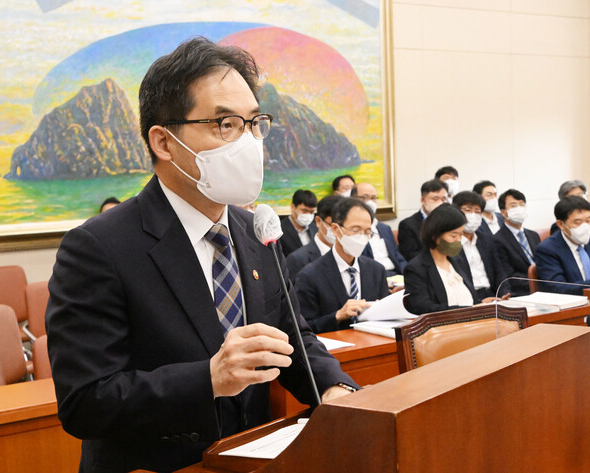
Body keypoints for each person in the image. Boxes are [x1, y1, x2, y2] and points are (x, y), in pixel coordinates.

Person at [45, 38, 358, 473]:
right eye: (224, 124)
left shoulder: (256, 232)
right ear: (164, 142)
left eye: (254, 124)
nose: (247, 142)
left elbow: (292, 338)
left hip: (254, 459)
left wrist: (335, 389)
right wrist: (208, 379)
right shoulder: (98, 247)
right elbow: (85, 402)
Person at [296, 198, 389, 333]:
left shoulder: (376, 270)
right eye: (355, 230)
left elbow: (386, 315)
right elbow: (303, 329)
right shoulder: (310, 275)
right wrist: (337, 316)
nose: (362, 237)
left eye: (367, 232)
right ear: (336, 229)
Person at [403, 204, 498, 315]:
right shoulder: (416, 268)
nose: (458, 240)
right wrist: (469, 310)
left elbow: (467, 298)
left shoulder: (458, 260)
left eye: (461, 234)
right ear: (435, 235)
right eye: (453, 236)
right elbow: (423, 307)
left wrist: (481, 303)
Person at [451, 191, 509, 300]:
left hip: (492, 295)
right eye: (468, 210)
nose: (473, 215)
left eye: (477, 211)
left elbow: (499, 271)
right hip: (469, 299)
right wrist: (478, 302)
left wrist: (504, 294)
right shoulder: (451, 243)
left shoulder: (486, 239)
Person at [352, 183, 407, 277]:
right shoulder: (351, 230)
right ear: (353, 200)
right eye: (365, 197)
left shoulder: (384, 228)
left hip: (395, 275)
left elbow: (397, 256)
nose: (370, 202)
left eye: (373, 198)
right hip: (374, 277)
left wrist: (408, 276)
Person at [493, 189, 541, 296]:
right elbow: (509, 276)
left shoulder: (533, 235)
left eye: (522, 204)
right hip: (522, 292)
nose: (519, 208)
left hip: (544, 287)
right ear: (503, 212)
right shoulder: (498, 240)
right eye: (513, 205)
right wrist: (538, 282)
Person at [286, 195, 342, 281]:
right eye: (332, 226)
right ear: (318, 221)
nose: (337, 231)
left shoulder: (351, 254)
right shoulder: (298, 259)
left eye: (342, 226)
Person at [397, 179, 448, 262]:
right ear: (423, 200)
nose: (440, 203)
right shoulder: (408, 225)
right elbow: (411, 256)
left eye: (443, 199)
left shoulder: (450, 222)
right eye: (435, 199)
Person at [280, 189, 318, 257]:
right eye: (304, 211)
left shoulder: (315, 228)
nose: (308, 215)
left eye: (311, 212)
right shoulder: (280, 230)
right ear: (293, 207)